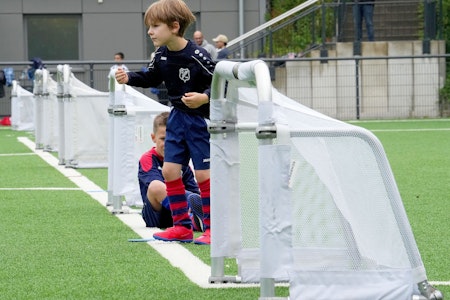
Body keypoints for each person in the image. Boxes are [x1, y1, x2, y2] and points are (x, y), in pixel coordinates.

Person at [115, 0, 215, 245]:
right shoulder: (160, 55)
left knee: (203, 174)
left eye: (155, 26)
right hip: (176, 118)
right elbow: (151, 77)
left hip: (198, 121)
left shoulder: (197, 55)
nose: (150, 31)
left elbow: (220, 83)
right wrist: (129, 77)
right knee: (170, 171)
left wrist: (204, 98)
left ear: (174, 26)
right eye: (149, 26)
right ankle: (181, 226)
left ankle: (213, 229)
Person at [138, 111, 203, 231]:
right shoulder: (147, 158)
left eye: (173, 139)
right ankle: (197, 217)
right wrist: (192, 200)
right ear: (153, 138)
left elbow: (193, 191)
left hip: (181, 210)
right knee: (156, 186)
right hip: (157, 215)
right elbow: (155, 188)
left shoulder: (181, 161)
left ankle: (196, 221)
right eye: (163, 139)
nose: (168, 144)